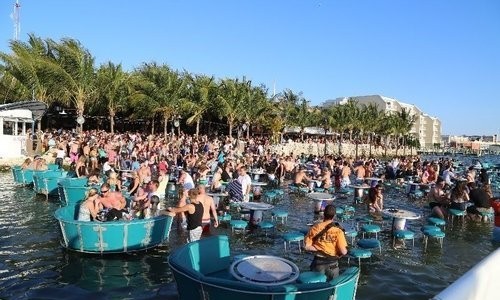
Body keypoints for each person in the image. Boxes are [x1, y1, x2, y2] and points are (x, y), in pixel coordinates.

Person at [304, 204, 348, 280]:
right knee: (333, 287)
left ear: (323, 214)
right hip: (333, 265)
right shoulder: (338, 230)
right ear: (334, 216)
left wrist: (318, 248)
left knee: (318, 287)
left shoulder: (315, 228)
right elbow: (343, 252)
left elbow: (306, 247)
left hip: (318, 263)